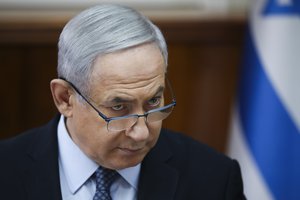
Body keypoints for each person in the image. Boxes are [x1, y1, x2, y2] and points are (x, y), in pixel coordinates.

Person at [0, 4, 246, 200]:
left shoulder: (214, 179)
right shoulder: (6, 171)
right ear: (65, 98)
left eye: (153, 101)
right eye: (118, 108)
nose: (140, 133)